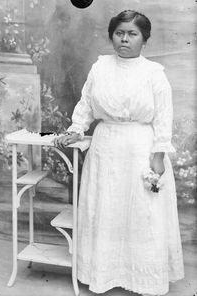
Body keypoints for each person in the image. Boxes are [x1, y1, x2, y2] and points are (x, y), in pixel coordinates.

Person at [54, 10, 184, 296]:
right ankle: (104, 273)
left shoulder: (153, 74)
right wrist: (76, 129)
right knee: (107, 207)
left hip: (141, 146)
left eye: (132, 34)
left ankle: (144, 279)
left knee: (141, 211)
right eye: (119, 33)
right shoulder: (100, 68)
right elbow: (86, 103)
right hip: (106, 147)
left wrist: (159, 155)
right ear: (112, 36)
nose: (124, 39)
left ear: (144, 39)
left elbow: (163, 117)